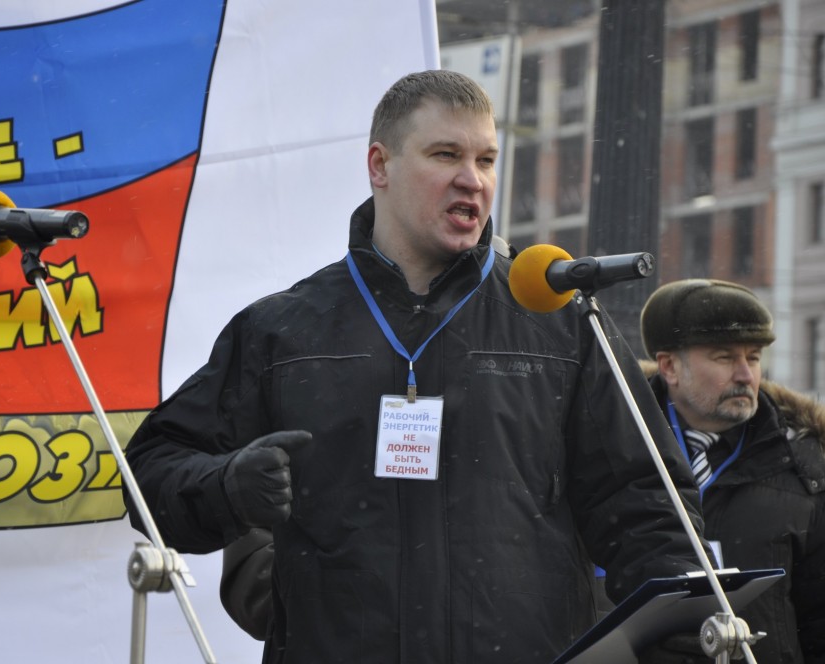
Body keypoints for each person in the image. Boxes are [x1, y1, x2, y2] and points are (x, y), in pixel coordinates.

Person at [124, 69, 707, 663]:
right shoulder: (283, 331)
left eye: (486, 159)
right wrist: (228, 487)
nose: (472, 179)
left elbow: (646, 503)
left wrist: (677, 626)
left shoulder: (559, 320)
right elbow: (149, 474)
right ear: (380, 166)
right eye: (446, 155)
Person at [638, 279, 825, 663]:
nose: (746, 375)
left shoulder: (808, 469)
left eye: (753, 358)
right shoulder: (611, 451)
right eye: (725, 358)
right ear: (670, 366)